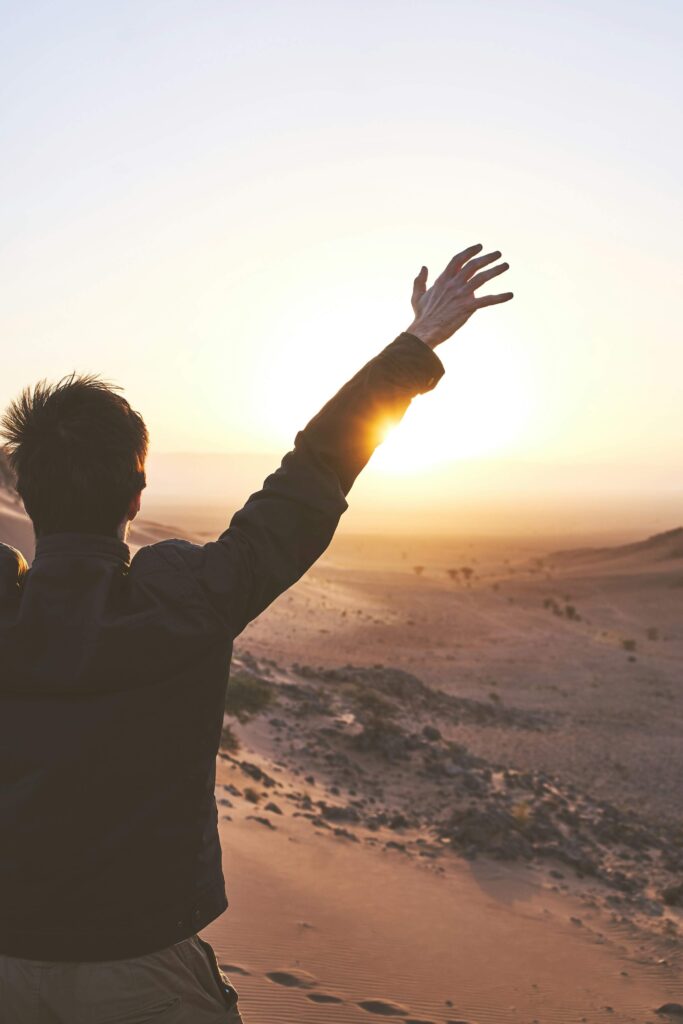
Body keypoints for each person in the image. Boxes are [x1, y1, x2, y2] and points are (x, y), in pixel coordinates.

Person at [0, 244, 511, 1023]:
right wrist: (416, 345)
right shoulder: (186, 601)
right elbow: (311, 476)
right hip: (138, 968)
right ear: (137, 492)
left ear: (24, 492)